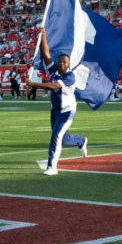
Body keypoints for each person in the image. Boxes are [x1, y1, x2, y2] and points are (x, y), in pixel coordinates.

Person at [27, 28, 88, 176]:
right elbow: (46, 54)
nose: (61, 64)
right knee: (63, 139)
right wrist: (43, 37)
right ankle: (80, 141)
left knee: (56, 137)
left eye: (64, 62)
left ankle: (52, 167)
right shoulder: (54, 70)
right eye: (60, 61)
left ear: (68, 64)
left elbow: (54, 86)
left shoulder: (70, 77)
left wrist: (34, 84)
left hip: (67, 111)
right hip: (55, 109)